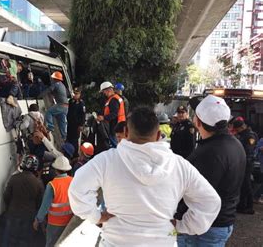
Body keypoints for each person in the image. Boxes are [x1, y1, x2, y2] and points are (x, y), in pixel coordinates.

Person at [68, 107, 221, 246]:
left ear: (126, 132)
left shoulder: (107, 160)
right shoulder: (180, 165)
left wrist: (96, 217)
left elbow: (77, 189)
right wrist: (183, 226)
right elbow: (210, 201)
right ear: (159, 135)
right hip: (162, 241)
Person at [176, 95, 246, 246]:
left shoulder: (208, 153)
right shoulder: (236, 144)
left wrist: (178, 220)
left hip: (203, 228)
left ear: (197, 121)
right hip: (222, 222)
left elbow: (196, 195)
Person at [3, 155, 44, 247]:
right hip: (28, 217)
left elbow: (6, 196)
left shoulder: (14, 178)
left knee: (8, 239)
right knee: (25, 241)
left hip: (12, 213)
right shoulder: (38, 183)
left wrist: (9, 207)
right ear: (35, 167)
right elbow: (40, 203)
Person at [33, 156, 73, 247]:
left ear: (55, 170)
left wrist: (38, 220)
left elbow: (45, 207)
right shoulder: (73, 181)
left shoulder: (52, 185)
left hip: (55, 224)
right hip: (70, 220)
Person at [233, 119, 258, 214]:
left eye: (237, 129)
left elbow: (248, 151)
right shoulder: (242, 135)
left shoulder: (250, 136)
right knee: (242, 184)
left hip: (247, 163)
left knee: (247, 184)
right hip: (242, 162)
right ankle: (241, 205)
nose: (236, 131)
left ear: (242, 127)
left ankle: (249, 206)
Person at [40, 71, 69, 140]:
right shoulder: (62, 85)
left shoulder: (56, 84)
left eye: (53, 78)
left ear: (55, 79)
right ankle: (64, 137)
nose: (52, 80)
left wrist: (40, 95)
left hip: (61, 105)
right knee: (61, 122)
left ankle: (50, 127)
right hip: (66, 106)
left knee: (49, 112)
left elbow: (49, 90)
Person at [97, 81, 126, 148]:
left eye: (104, 91)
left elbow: (114, 114)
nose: (104, 94)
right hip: (117, 125)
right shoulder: (113, 99)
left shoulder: (114, 100)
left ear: (108, 90)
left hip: (115, 126)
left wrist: (103, 118)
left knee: (116, 145)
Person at [66, 87, 86, 157]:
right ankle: (69, 153)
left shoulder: (81, 103)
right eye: (74, 93)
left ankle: (75, 155)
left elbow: (83, 115)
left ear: (80, 94)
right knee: (69, 138)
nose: (75, 95)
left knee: (75, 140)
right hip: (70, 124)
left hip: (77, 125)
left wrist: (81, 125)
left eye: (76, 94)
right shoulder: (71, 101)